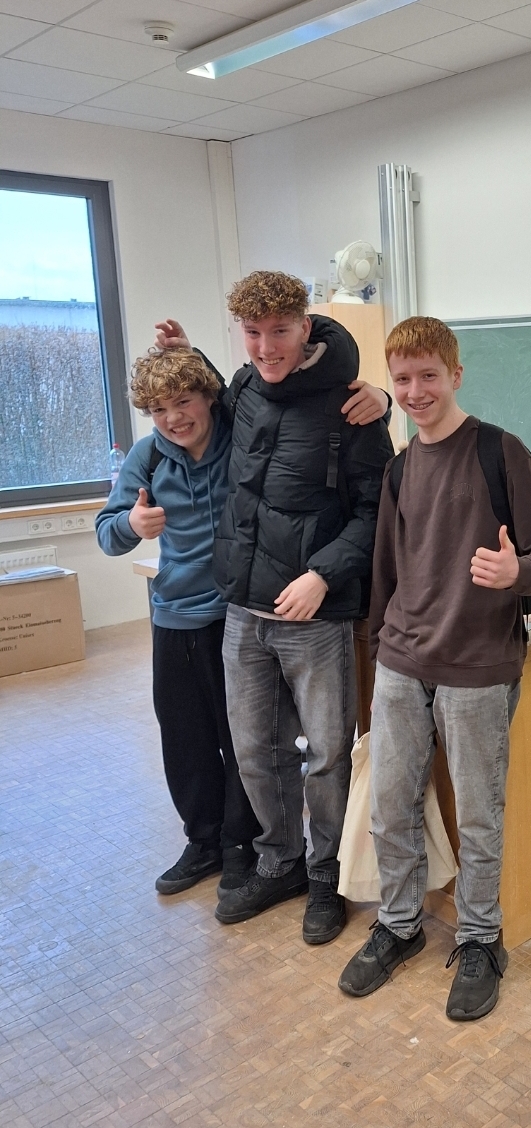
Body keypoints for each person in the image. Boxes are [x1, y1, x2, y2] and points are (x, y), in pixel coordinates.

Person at [337, 316, 531, 1020]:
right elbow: (387, 571)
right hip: (402, 662)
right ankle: (399, 925)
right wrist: (382, 650)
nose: (415, 391)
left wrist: (516, 572)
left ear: (455, 375)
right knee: (392, 804)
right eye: (402, 379)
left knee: (477, 814)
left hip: (477, 665)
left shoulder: (500, 451)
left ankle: (479, 940)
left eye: (429, 376)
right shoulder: (398, 468)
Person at [160, 271, 394, 945]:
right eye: (253, 333)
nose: (266, 347)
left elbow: (376, 511)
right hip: (243, 608)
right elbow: (215, 408)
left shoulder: (353, 407)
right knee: (256, 753)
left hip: (315, 617)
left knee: (325, 754)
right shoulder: (243, 387)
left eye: (280, 332)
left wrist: (323, 574)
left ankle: (325, 874)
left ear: (306, 327)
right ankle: (281, 862)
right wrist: (189, 357)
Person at [96, 347, 262, 896]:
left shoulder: (238, 437)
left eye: (183, 401)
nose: (173, 417)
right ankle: (204, 841)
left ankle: (241, 845)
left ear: (208, 397)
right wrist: (132, 524)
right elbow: (107, 533)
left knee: (241, 738)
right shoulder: (146, 457)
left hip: (237, 616)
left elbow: (250, 391)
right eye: (158, 409)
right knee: (186, 740)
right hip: (173, 620)